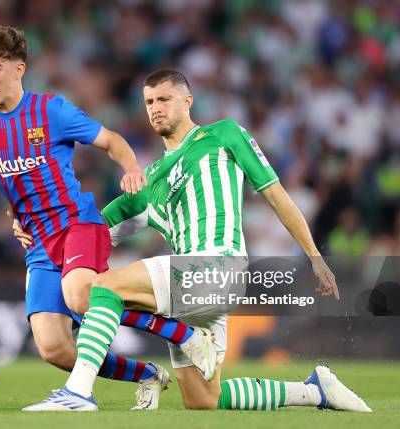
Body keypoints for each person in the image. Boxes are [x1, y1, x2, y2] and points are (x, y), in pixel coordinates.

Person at [0, 25, 216, 409]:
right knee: (54, 349)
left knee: (81, 296)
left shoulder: (51, 110)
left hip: (77, 223)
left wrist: (131, 168)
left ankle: (179, 336)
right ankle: (146, 374)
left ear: (18, 68)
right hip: (38, 242)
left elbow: (111, 140)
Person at [19, 69, 372, 412]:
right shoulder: (148, 182)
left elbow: (276, 195)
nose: (156, 107)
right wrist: (34, 227)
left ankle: (77, 393)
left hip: (219, 266)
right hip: (189, 290)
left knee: (104, 288)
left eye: (164, 99)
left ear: (188, 101)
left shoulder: (223, 135)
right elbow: (86, 227)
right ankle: (313, 391)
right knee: (204, 399)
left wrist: (313, 253)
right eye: (149, 101)